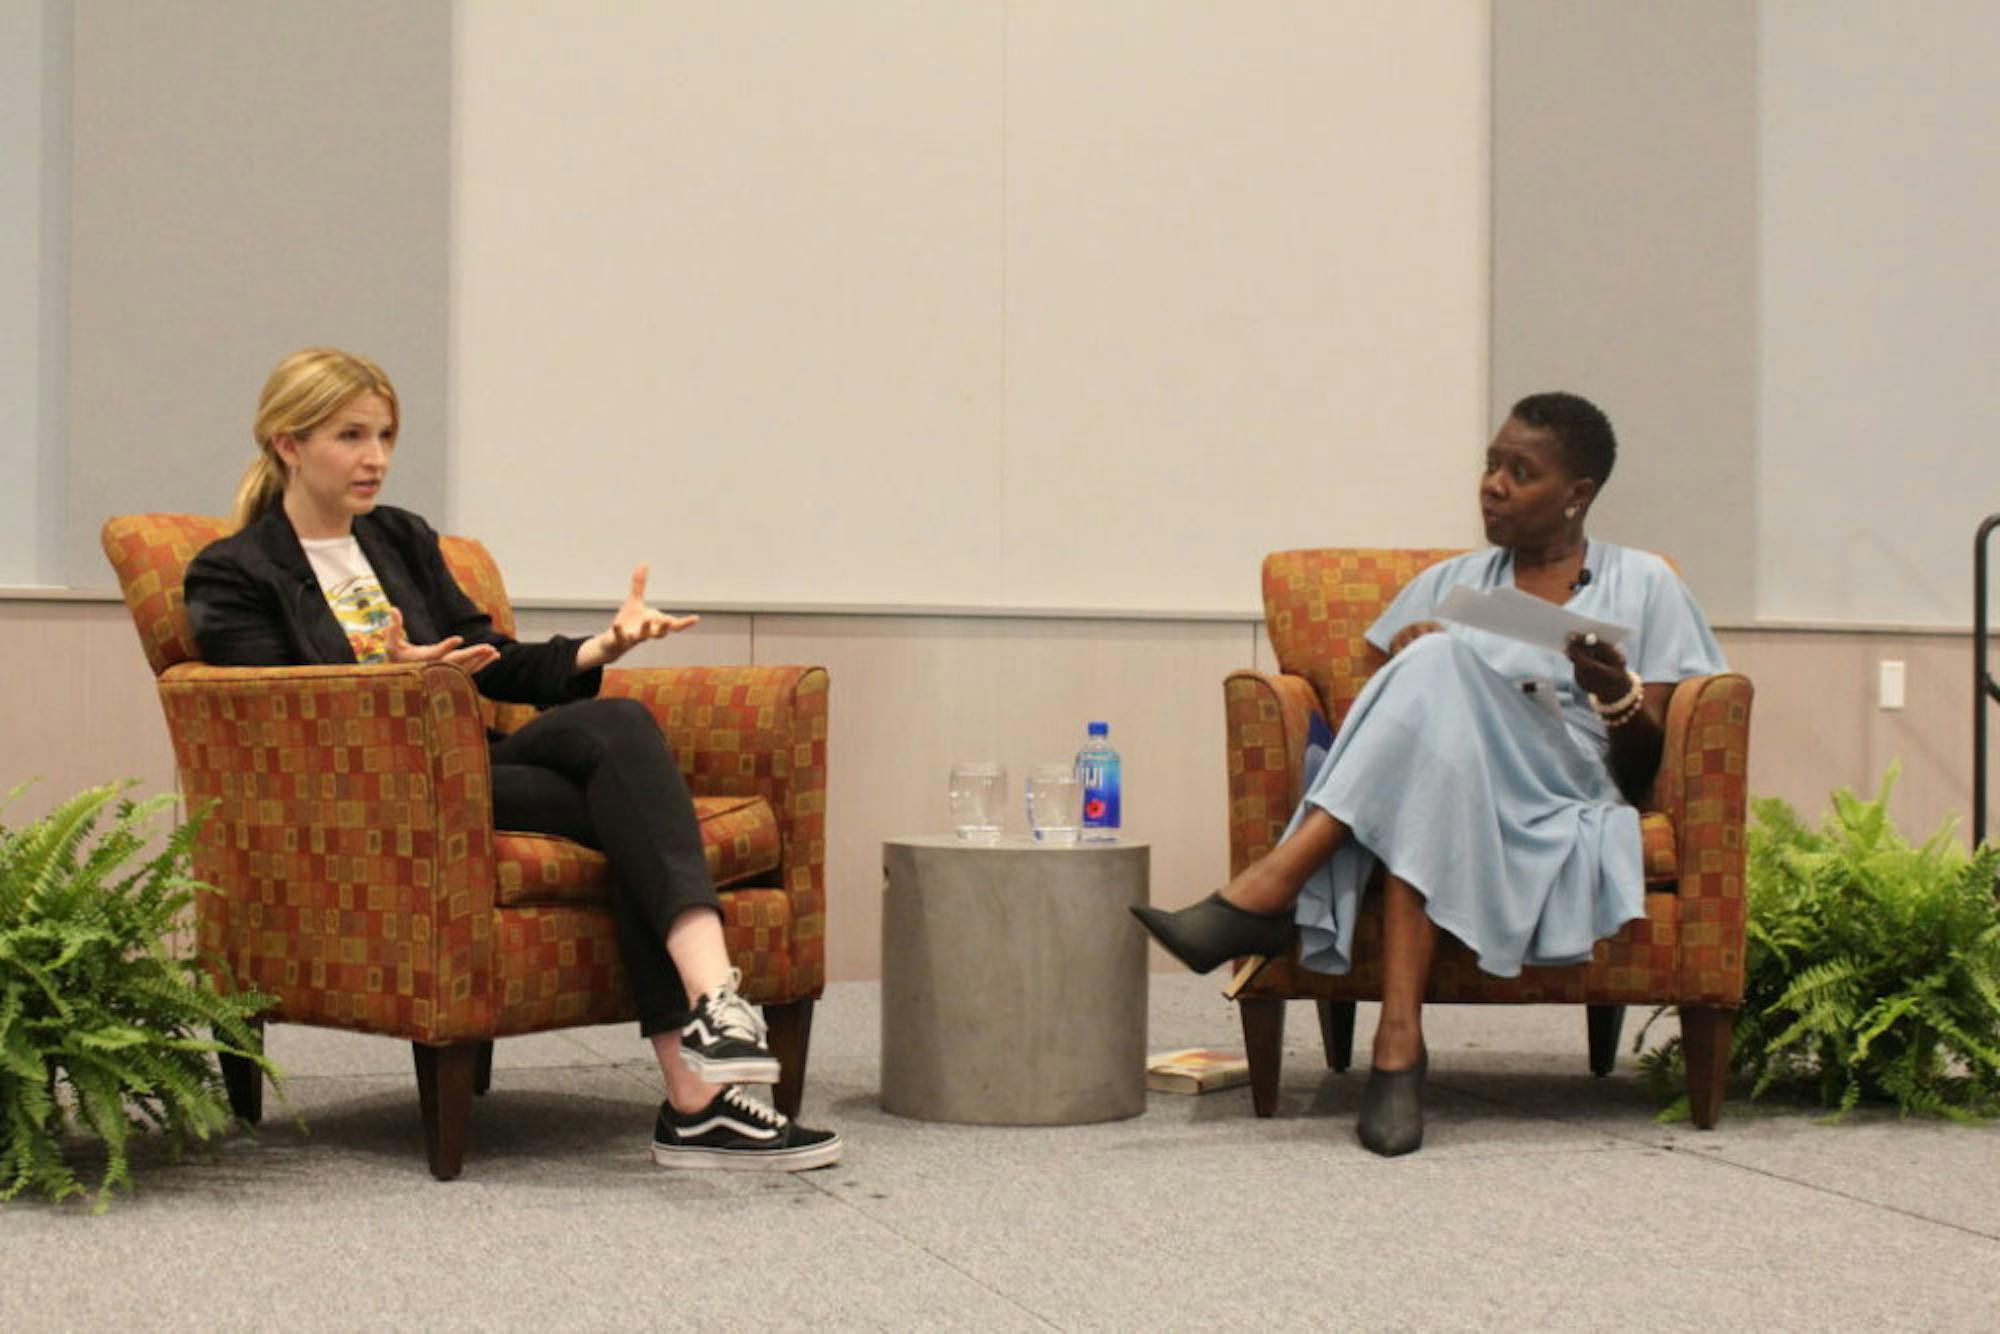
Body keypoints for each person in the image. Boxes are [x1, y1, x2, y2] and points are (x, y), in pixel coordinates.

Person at [185, 347, 841, 1172]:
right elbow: (275, 721)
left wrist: (603, 645)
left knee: (618, 725)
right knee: (630, 809)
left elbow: (491, 655)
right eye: (351, 436)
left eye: (385, 435)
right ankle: (698, 1090)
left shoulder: (400, 537)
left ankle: (711, 1022)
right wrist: (397, 676)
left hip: (476, 766)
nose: (376, 457)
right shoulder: (233, 572)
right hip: (383, 793)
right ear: (289, 443)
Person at [1133, 392, 1724, 1157]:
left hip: (1566, 778)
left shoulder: (1646, 583)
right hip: (1451, 782)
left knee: (1440, 670)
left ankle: (1267, 895)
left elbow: (1646, 765)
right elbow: (1379, 734)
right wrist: (1416, 653)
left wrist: (1615, 694)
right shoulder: (1451, 585)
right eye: (1491, 464)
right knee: (1431, 717)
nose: (1493, 486)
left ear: (1577, 493)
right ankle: (1396, 1047)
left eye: (1521, 472)